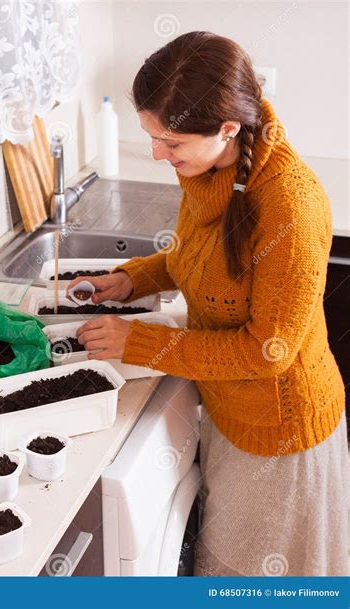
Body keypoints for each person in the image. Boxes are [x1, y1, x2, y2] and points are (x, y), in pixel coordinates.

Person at [66, 31, 348, 576]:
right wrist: (131, 279)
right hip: (228, 413)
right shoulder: (212, 168)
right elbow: (198, 258)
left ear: (227, 129)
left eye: (171, 143)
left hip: (282, 438)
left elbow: (268, 352)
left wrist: (140, 342)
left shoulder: (291, 206)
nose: (158, 154)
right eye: (152, 136)